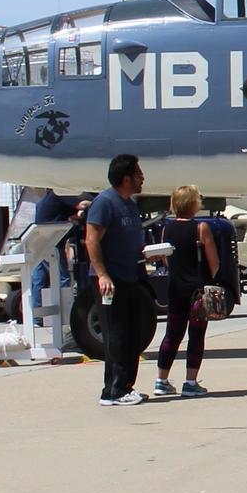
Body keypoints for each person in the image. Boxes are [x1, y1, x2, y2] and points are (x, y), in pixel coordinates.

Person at [84, 154, 148, 406]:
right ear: (126, 178)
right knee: (117, 334)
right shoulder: (104, 203)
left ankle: (121, 388)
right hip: (111, 280)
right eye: (138, 174)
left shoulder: (130, 204)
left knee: (133, 333)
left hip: (132, 275)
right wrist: (102, 274)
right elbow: (92, 240)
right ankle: (115, 390)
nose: (142, 178)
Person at [153, 185, 220, 398]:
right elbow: (214, 262)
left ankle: (161, 380)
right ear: (194, 204)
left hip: (175, 287)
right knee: (196, 334)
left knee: (172, 334)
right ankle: (190, 381)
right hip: (196, 290)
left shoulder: (167, 228)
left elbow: (165, 257)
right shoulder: (201, 228)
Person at [29, 190, 89, 328]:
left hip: (39, 241)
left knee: (39, 279)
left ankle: (37, 318)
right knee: (64, 278)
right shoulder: (60, 195)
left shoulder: (45, 200)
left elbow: (68, 214)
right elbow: (82, 206)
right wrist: (97, 202)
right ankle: (66, 314)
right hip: (52, 242)